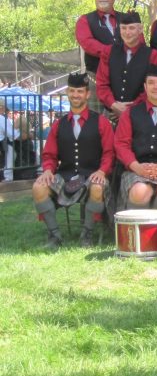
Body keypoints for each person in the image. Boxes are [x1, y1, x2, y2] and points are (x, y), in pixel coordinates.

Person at [32, 73, 115, 248]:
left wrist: (102, 171)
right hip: (65, 174)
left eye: (80, 91)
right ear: (68, 93)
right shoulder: (58, 124)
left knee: (98, 186)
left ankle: (87, 235)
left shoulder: (101, 122)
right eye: (72, 91)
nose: (75, 95)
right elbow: (49, 155)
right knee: (38, 188)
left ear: (87, 94)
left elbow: (109, 153)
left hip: (92, 174)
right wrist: (48, 170)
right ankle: (55, 236)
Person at [114, 65, 157, 210]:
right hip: (137, 166)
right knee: (140, 192)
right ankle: (136, 230)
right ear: (145, 87)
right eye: (151, 83)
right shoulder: (130, 113)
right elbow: (121, 144)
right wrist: (136, 167)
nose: (156, 87)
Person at [95, 11, 157, 119]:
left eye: (131, 28)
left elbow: (153, 88)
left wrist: (131, 107)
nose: (127, 32)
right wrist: (113, 105)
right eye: (123, 28)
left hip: (141, 114)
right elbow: (102, 84)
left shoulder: (153, 55)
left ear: (140, 29)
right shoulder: (108, 52)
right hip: (111, 113)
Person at [75, 0, 123, 75]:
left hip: (126, 77)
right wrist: (113, 52)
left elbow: (139, 43)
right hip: (96, 77)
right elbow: (88, 43)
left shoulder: (126, 19)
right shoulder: (84, 20)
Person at [0, 98, 20, 182]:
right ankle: (7, 178)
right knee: (10, 155)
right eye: (4, 107)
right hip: (2, 144)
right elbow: (12, 134)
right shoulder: (1, 118)